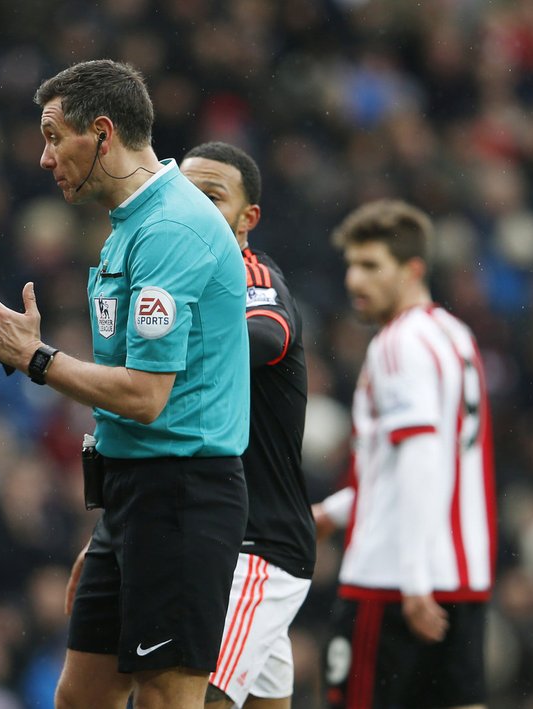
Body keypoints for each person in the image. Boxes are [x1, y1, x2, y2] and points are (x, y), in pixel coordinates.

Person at [0, 59, 250, 709]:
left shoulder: (169, 229)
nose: (43, 155)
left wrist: (36, 358)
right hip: (136, 498)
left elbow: (145, 395)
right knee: (81, 696)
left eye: (55, 136)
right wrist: (111, 522)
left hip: (182, 496)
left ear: (102, 133)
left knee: (167, 697)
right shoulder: (129, 228)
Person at [312, 200, 496, 709]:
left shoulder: (397, 344)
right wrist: (335, 511)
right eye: (351, 265)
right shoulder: (456, 337)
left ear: (413, 269)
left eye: (371, 266)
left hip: (392, 582)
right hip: (462, 580)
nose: (354, 280)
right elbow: (430, 464)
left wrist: (414, 581)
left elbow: (420, 457)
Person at [179, 142, 316, 709]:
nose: (196, 206)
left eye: (213, 196)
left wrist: (172, 338)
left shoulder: (250, 273)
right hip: (207, 529)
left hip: (257, 542)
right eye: (185, 193)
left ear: (247, 218)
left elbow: (267, 336)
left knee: (196, 694)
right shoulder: (169, 279)